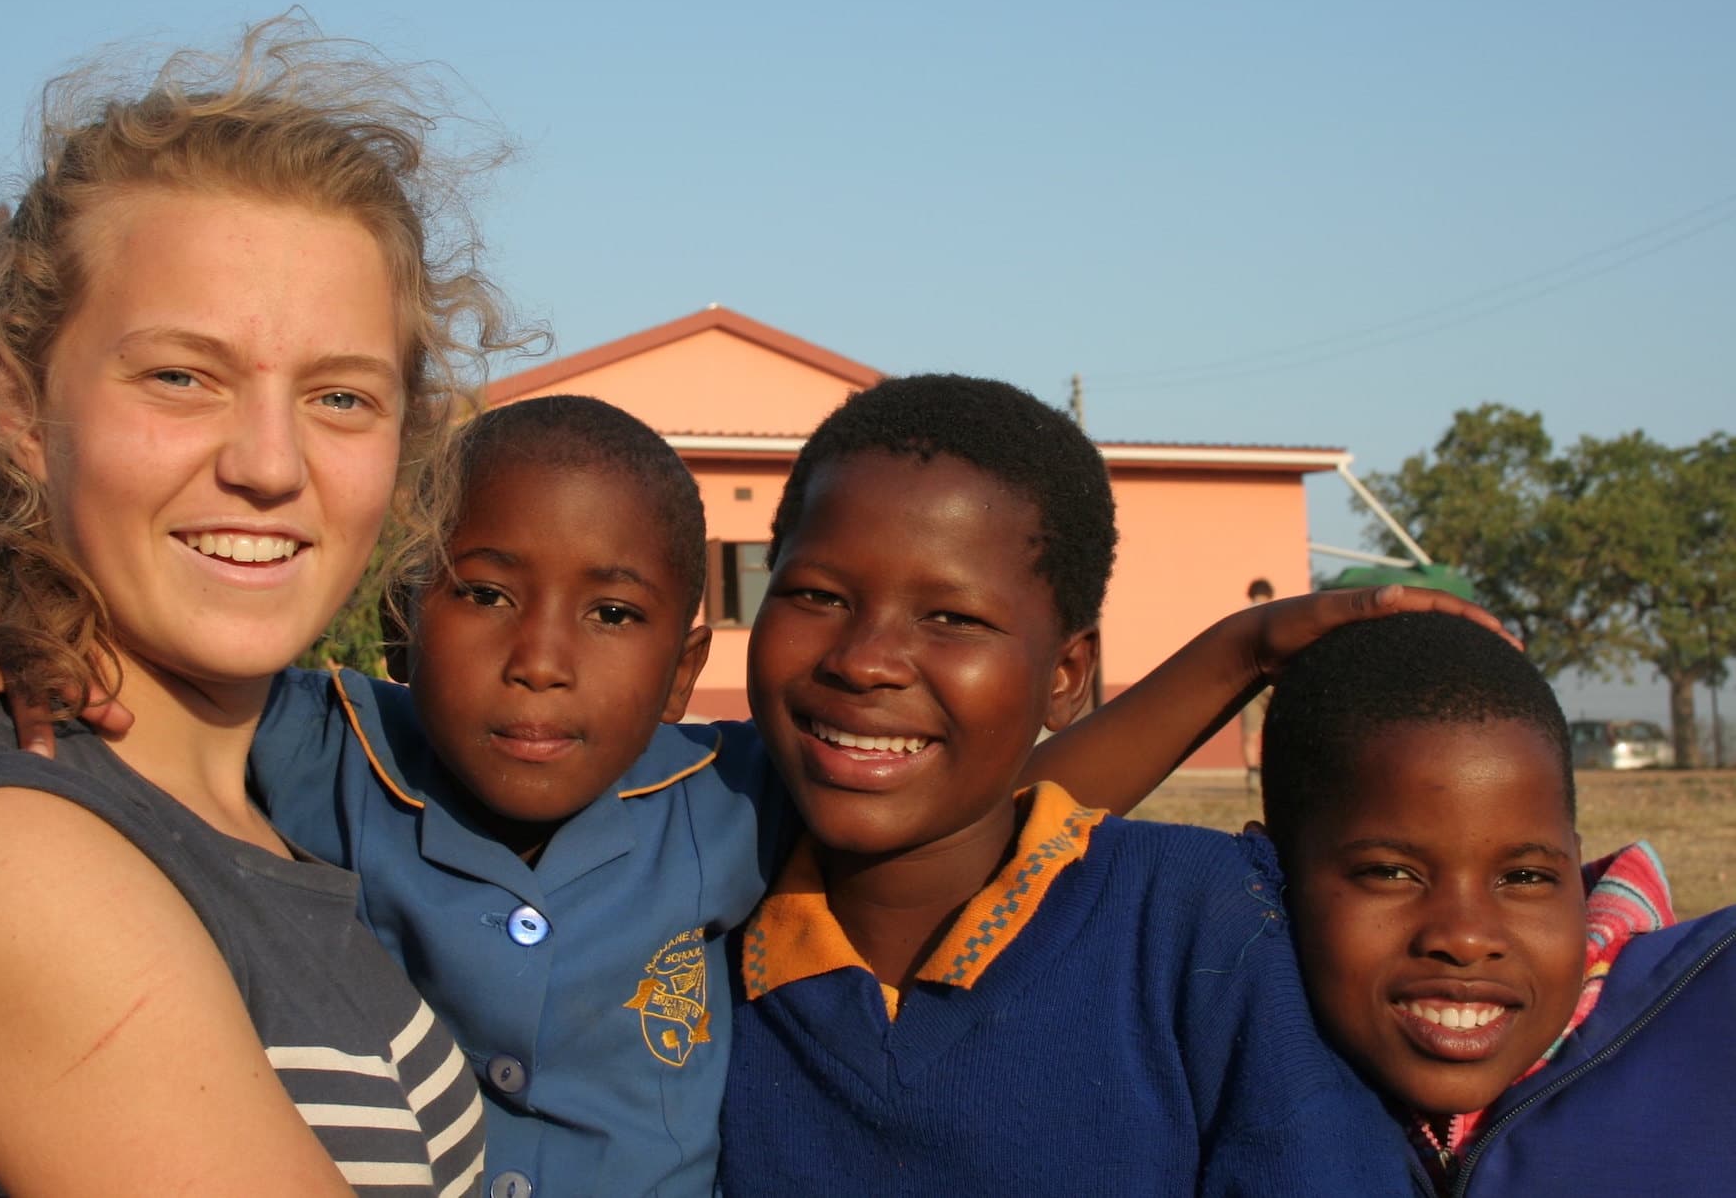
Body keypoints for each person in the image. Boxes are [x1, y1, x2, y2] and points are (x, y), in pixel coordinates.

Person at [0, 391, 1504, 1195]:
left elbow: (1016, 803)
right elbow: (112, 645)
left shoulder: (742, 811)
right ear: (408, 601)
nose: (545, 658)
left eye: (618, 614)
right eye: (485, 593)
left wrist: (1244, 650)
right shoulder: (330, 745)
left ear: (684, 632)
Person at [0, 20, 504, 1195]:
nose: (270, 464)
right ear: (19, 409)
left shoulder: (283, 779)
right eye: (182, 375)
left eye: (339, 395)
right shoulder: (6, 855)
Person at [719, 375, 1413, 1196]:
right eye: (815, 595)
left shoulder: (1202, 928)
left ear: (1068, 673)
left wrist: (1243, 653)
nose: (863, 660)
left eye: (953, 618)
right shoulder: (681, 893)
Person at [1260, 612, 1736, 1196]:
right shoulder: (1213, 1042)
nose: (1464, 937)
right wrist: (1238, 655)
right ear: (1271, 867)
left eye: (1527, 876)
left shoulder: (1709, 1010)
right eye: (1389, 872)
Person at [1241, 576, 1276, 790]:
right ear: (1270, 593)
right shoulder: (1278, 612)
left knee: (1250, 734)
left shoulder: (1243, 616)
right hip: (1274, 678)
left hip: (1250, 680)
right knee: (1277, 730)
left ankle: (1253, 776)